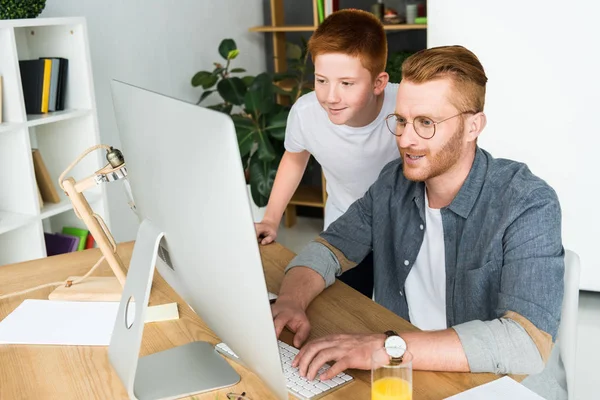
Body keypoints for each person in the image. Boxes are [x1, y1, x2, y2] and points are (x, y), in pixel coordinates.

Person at [270, 45, 567, 400]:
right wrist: (290, 300)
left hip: (497, 386)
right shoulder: (393, 183)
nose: (406, 139)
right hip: (410, 372)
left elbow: (526, 343)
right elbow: (331, 247)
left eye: (426, 123)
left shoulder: (527, 201)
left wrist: (386, 349)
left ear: (473, 126)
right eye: (402, 120)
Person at [254, 9, 400, 297]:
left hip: (401, 229)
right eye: (322, 80)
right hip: (345, 226)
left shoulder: (405, 107)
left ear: (378, 83)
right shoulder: (306, 113)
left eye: (346, 83)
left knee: (394, 313)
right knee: (346, 305)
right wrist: (271, 218)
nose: (331, 96)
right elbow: (295, 158)